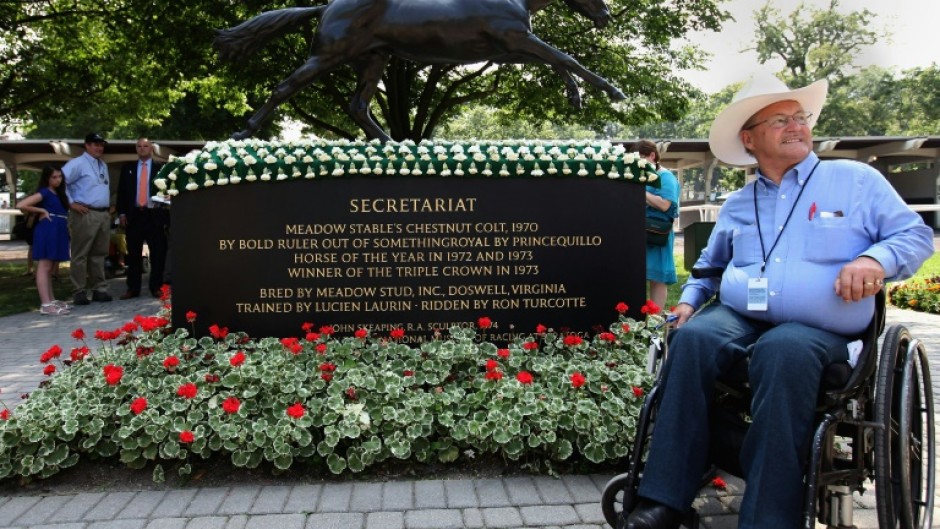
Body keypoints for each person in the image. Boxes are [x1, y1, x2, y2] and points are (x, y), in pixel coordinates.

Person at [623, 73, 934, 529]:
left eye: (800, 117)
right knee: (690, 342)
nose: (796, 126)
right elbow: (710, 266)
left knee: (782, 351)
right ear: (750, 139)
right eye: (780, 120)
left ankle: (768, 518)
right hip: (739, 315)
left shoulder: (856, 181)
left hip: (820, 328)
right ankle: (665, 500)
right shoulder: (739, 202)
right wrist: (689, 304)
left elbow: (914, 235)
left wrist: (875, 258)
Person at [63, 132, 113, 305]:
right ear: (86, 145)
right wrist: (71, 203)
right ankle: (79, 290)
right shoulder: (77, 164)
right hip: (84, 213)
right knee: (80, 253)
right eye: (95, 144)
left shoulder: (103, 165)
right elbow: (61, 182)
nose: (99, 147)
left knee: (99, 253)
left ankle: (100, 288)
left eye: (101, 145)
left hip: (102, 213)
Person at [116, 137, 168, 298]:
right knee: (133, 254)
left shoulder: (161, 168)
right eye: (139, 146)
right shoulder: (128, 168)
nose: (142, 149)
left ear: (151, 149)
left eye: (146, 146)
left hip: (154, 215)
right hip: (135, 215)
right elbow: (122, 192)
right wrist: (122, 213)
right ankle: (133, 288)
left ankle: (156, 287)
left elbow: (168, 191)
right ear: (136, 149)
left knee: (158, 253)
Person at [16, 165, 71, 315]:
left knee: (51, 266)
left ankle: (51, 299)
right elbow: (21, 204)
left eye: (60, 176)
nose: (58, 180)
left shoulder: (58, 193)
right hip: (48, 229)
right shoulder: (44, 192)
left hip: (58, 228)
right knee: (44, 265)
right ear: (47, 178)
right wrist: (41, 210)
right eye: (54, 177)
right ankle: (45, 304)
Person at [638, 140, 679, 311]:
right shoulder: (643, 176)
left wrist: (640, 190)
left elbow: (665, 205)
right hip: (640, 233)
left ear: (652, 156)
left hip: (657, 234)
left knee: (657, 279)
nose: (638, 164)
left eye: (641, 159)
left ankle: (655, 322)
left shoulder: (665, 176)